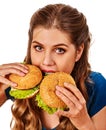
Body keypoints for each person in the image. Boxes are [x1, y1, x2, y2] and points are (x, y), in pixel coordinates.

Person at [0, 3, 106, 130]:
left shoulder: (95, 85)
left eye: (59, 50)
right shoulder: (19, 82)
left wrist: (84, 124)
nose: (46, 61)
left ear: (78, 52)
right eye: (38, 48)